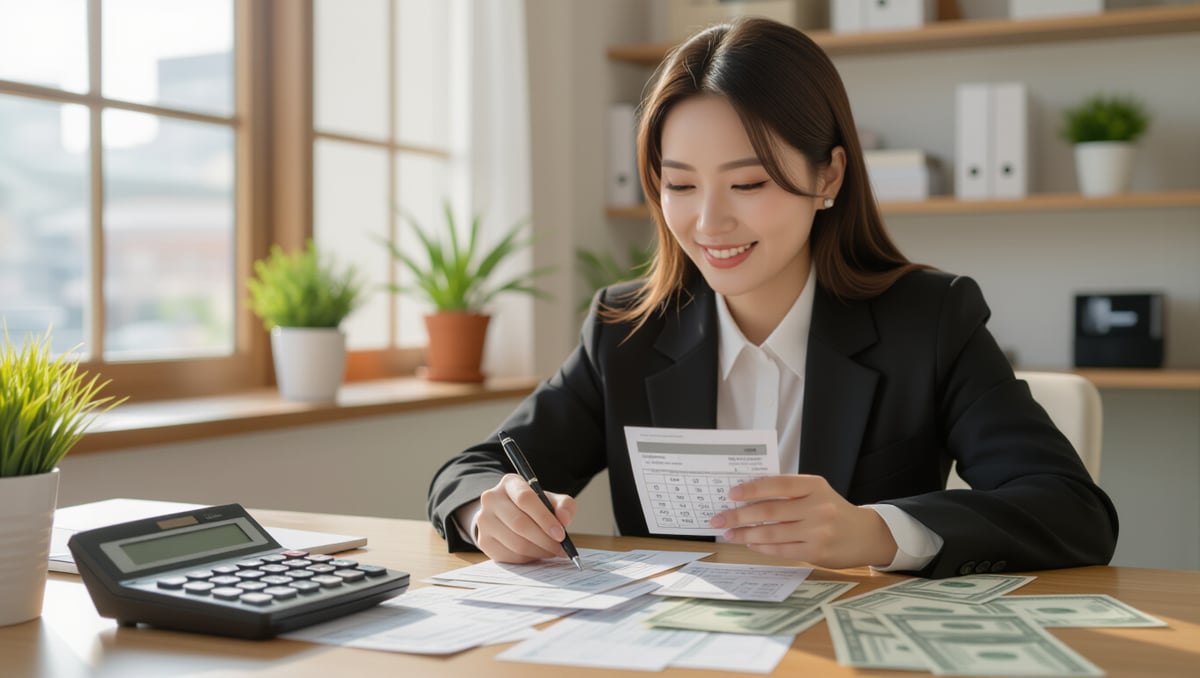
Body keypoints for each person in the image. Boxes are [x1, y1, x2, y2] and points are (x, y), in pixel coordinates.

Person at [427, 17, 1118, 578]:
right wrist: (485, 513)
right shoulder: (626, 330)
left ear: (829, 175)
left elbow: (1071, 510)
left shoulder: (930, 320)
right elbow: (472, 472)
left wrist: (874, 531)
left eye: (748, 184)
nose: (708, 223)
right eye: (680, 185)